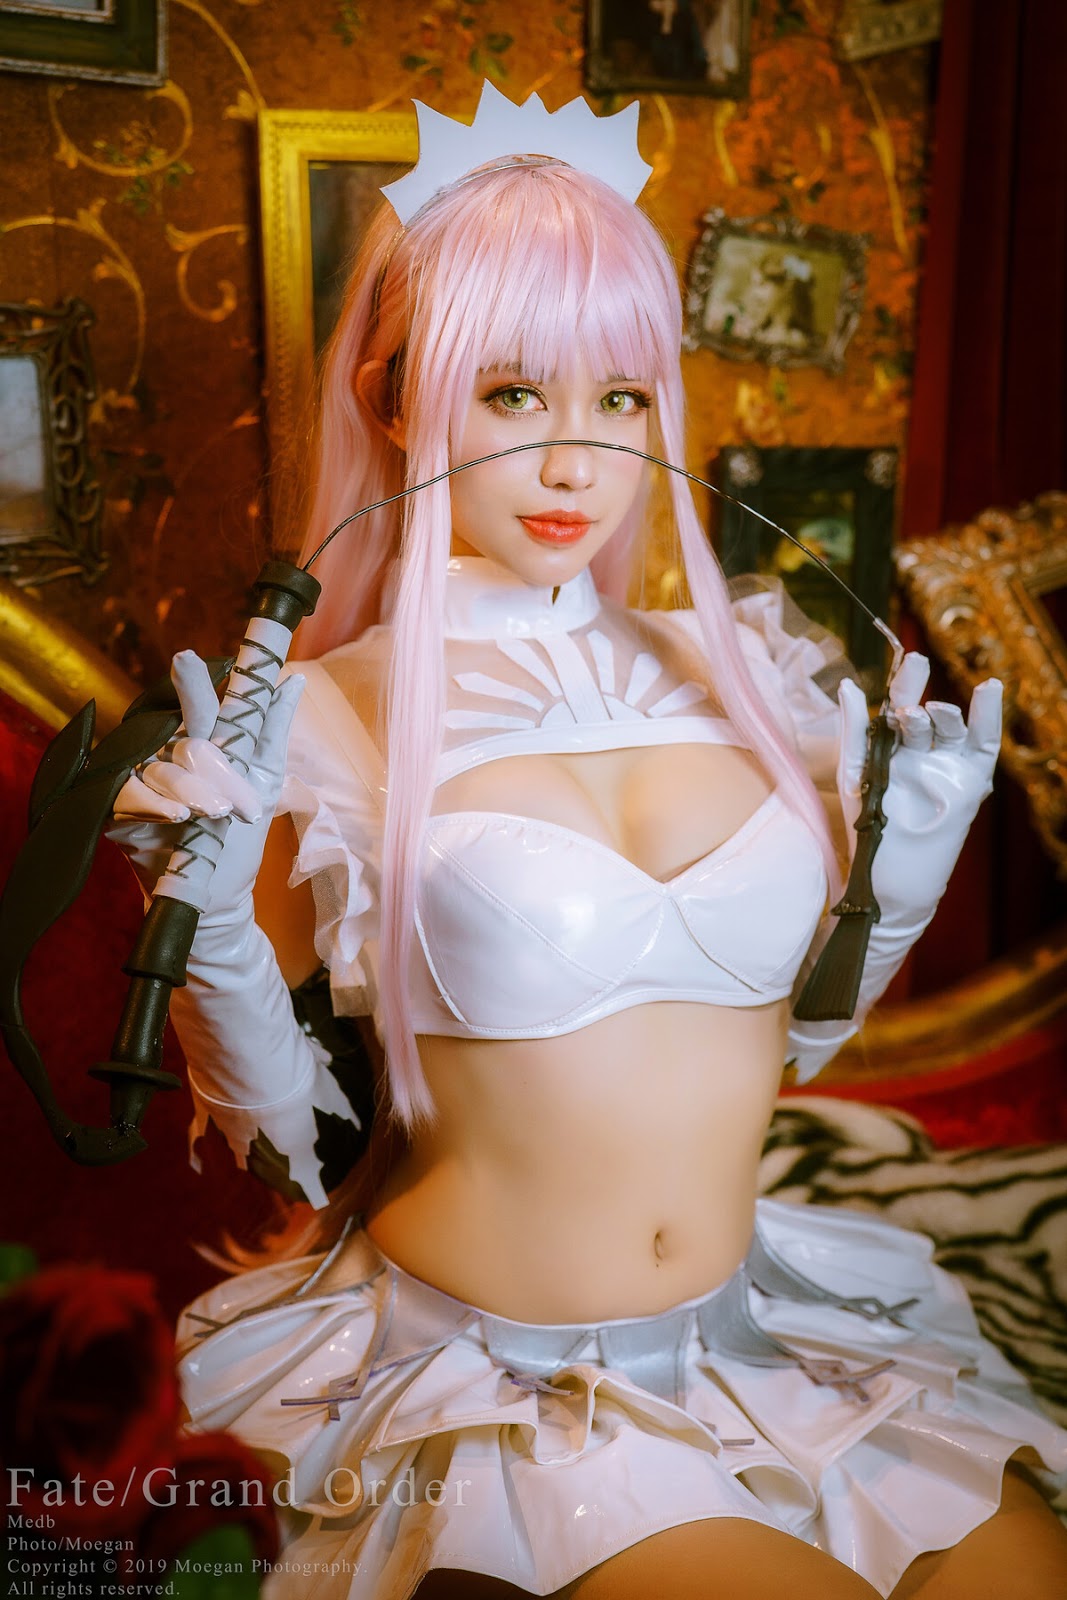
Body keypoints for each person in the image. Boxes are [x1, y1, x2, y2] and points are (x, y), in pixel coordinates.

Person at [111, 85, 1067, 1600]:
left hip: (759, 1338)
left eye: (620, 399)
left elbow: (791, 1038)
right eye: (513, 394)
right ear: (393, 397)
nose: (576, 462)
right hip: (502, 1389)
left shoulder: (749, 671)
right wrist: (213, 930)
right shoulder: (318, 721)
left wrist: (898, 882)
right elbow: (298, 1139)